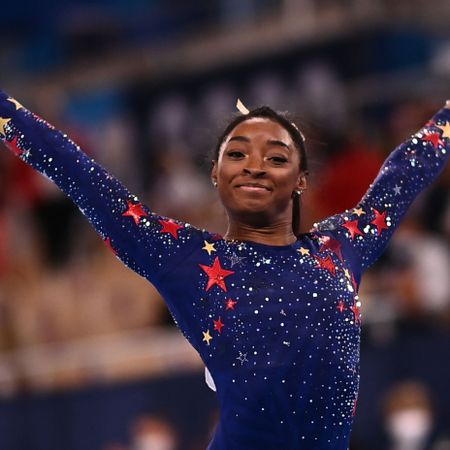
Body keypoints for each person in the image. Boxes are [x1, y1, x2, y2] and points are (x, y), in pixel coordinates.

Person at [0, 91, 448, 450]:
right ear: (214, 173)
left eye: (276, 157)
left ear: (302, 179)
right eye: (237, 154)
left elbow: (407, 170)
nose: (255, 165)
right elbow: (80, 174)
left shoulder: (340, 248)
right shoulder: (185, 260)